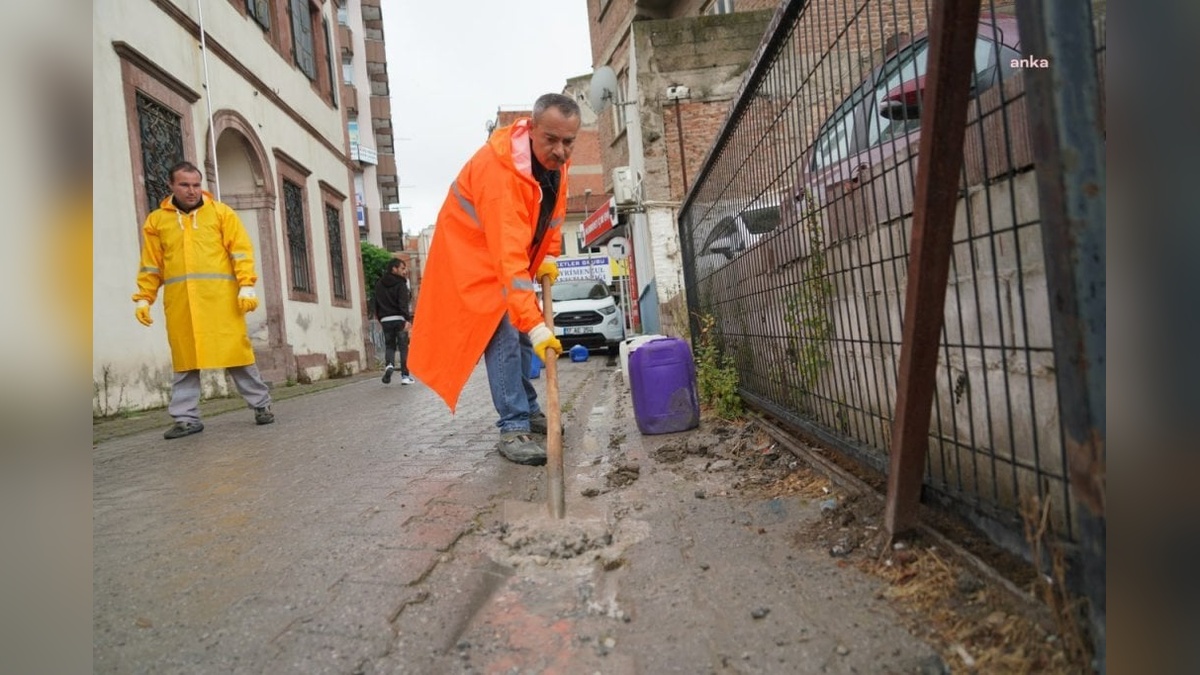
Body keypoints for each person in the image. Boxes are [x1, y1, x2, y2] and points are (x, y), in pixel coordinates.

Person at [409, 93, 580, 466]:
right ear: (531, 129)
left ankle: (529, 408)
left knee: (519, 334)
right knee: (504, 331)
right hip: (471, 258)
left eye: (569, 141)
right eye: (552, 139)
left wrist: (550, 252)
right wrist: (536, 326)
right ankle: (513, 426)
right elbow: (508, 256)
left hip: (503, 256)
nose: (562, 150)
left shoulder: (554, 163)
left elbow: (554, 212)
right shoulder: (501, 171)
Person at [132, 161, 275, 439]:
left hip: (221, 302)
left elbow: (241, 251)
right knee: (185, 362)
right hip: (182, 304)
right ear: (171, 185)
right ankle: (186, 418)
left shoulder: (221, 214)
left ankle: (261, 405)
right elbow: (151, 264)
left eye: (196, 185)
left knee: (238, 356)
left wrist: (246, 285)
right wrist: (143, 298)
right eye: (184, 185)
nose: (191, 191)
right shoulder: (157, 222)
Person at [374, 257, 414, 385]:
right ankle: (405, 376)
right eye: (402, 268)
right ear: (394, 269)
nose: (405, 271)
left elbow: (376, 303)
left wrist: (380, 318)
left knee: (389, 346)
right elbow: (403, 303)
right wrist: (407, 319)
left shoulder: (379, 284)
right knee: (403, 348)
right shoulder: (401, 284)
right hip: (399, 319)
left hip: (385, 320)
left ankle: (389, 365)